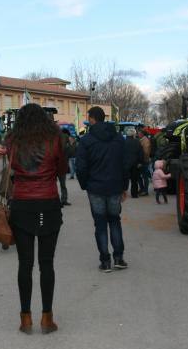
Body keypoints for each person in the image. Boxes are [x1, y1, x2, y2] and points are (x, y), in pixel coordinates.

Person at [6, 103, 67, 335]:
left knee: (25, 263)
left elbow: (10, 168)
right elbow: (61, 169)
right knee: (47, 263)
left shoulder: (12, 140)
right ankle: (47, 318)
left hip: (21, 204)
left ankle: (25, 318)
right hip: (48, 203)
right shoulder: (55, 139)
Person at [76, 106, 130, 273]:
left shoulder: (86, 140)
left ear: (92, 119)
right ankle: (119, 258)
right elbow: (125, 164)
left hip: (95, 187)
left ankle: (105, 261)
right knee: (115, 220)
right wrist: (124, 186)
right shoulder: (119, 139)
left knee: (100, 224)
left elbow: (81, 167)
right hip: (114, 186)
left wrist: (85, 184)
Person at [124, 128, 144, 198]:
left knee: (125, 179)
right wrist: (140, 162)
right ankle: (134, 194)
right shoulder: (137, 142)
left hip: (125, 163)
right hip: (135, 163)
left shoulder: (124, 142)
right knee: (134, 180)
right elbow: (141, 153)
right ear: (133, 134)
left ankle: (123, 193)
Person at [58, 128, 71, 206]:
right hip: (62, 165)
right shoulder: (66, 140)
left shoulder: (54, 139)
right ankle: (64, 200)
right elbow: (70, 151)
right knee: (63, 184)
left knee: (54, 184)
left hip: (55, 165)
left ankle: (58, 200)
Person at [138, 130, 152, 196]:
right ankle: (142, 189)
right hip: (143, 160)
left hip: (144, 161)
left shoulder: (145, 140)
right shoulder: (142, 140)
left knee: (144, 176)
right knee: (141, 176)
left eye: (139, 133)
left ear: (142, 134)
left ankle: (145, 190)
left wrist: (142, 161)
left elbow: (146, 152)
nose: (138, 134)